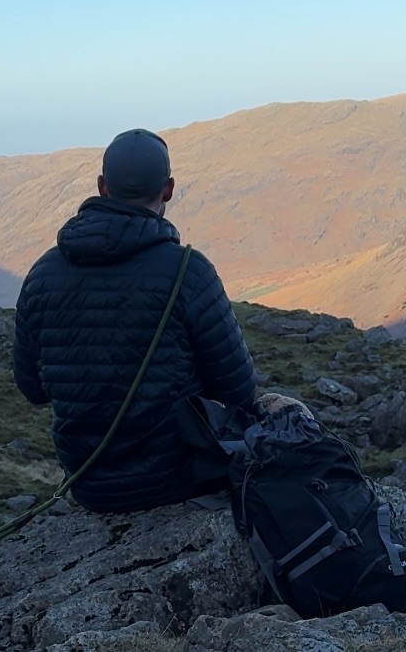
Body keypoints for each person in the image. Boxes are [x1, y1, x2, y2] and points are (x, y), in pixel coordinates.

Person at [13, 127, 257, 512]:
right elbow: (239, 390)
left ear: (101, 186)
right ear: (168, 189)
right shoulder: (188, 272)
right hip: (178, 481)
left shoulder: (43, 273)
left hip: (90, 486)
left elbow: (33, 388)